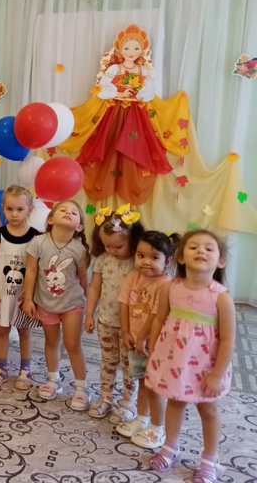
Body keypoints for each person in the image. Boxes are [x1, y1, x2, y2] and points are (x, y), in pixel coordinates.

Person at [60, 23, 189, 204]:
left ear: (142, 50)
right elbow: (102, 87)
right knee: (109, 144)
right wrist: (120, 93)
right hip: (114, 113)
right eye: (127, 48)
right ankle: (106, 181)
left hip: (136, 115)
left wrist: (136, 93)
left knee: (134, 146)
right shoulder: (114, 69)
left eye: (136, 48)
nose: (131, 52)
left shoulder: (143, 70)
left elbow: (149, 90)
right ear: (120, 49)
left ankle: (130, 183)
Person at [144, 230, 234, 482]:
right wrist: (154, 354)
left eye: (209, 248)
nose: (201, 251)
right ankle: (170, 446)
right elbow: (159, 320)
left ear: (221, 261)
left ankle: (210, 459)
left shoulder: (221, 297)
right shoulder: (170, 288)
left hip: (206, 367)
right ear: (181, 257)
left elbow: (228, 340)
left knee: (208, 409)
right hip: (175, 361)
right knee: (175, 401)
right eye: (193, 247)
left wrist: (217, 375)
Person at [22, 200, 91, 411]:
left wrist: (90, 309)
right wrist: (28, 299)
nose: (68, 213)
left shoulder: (80, 249)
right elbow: (31, 271)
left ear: (79, 227)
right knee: (51, 341)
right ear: (50, 219)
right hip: (46, 303)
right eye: (63, 210)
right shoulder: (38, 242)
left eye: (74, 212)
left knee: (72, 343)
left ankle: (81, 387)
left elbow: (84, 280)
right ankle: (53, 379)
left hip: (72, 304)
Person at [115, 231, 177, 450]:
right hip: (135, 342)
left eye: (154, 257)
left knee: (154, 387)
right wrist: (126, 332)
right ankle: (142, 419)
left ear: (167, 262)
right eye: (141, 256)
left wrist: (142, 337)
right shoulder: (133, 276)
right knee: (142, 381)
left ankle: (157, 429)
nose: (146, 262)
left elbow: (155, 315)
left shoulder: (165, 283)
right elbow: (124, 304)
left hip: (155, 345)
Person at [83, 204, 144, 420]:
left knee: (129, 366)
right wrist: (89, 314)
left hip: (132, 326)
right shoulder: (102, 260)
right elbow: (94, 288)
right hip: (106, 321)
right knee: (107, 361)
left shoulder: (138, 263)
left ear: (133, 240)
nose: (112, 250)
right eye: (107, 245)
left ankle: (128, 402)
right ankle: (106, 397)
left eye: (118, 246)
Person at [0, 185, 41, 389]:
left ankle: (25, 370)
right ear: (3, 209)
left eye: (20, 209)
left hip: (24, 296)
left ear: (30, 210)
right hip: (1, 293)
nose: (14, 214)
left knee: (24, 330)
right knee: (1, 330)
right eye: (9, 209)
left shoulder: (36, 237)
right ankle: (1, 368)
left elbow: (36, 268)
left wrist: (30, 295)